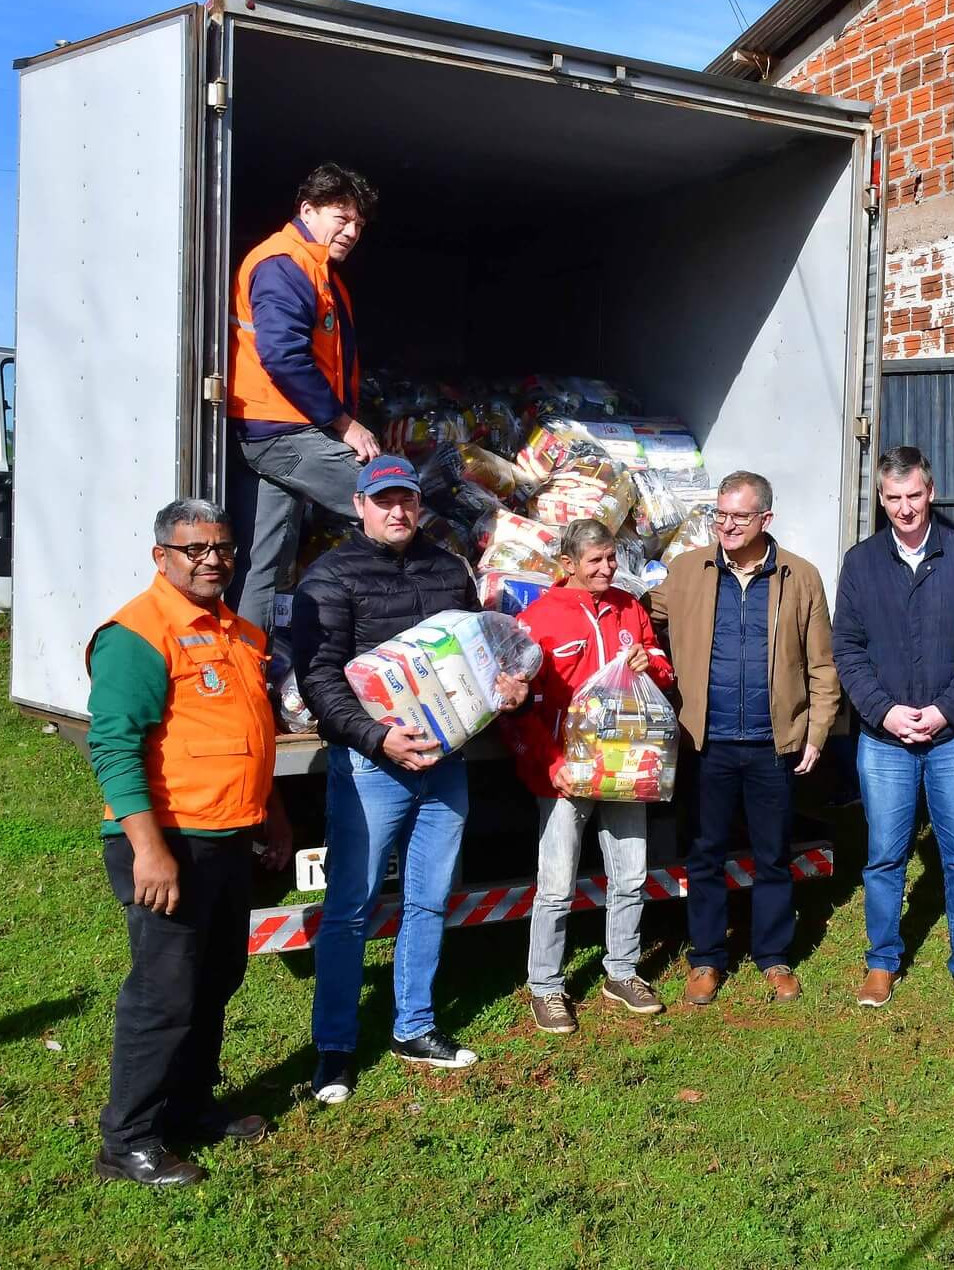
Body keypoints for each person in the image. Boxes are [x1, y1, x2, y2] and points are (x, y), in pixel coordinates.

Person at [290, 455, 528, 1103]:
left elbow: (480, 654)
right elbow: (320, 678)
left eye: (407, 498)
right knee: (349, 910)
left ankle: (414, 1027)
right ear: (360, 506)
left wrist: (505, 690)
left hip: (444, 764)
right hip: (372, 767)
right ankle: (335, 1049)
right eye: (384, 499)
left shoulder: (448, 567)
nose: (398, 510)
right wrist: (378, 737)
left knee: (429, 899)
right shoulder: (332, 575)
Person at [87, 498, 293, 1186]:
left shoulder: (240, 632)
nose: (212, 561)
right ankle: (128, 1139)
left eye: (222, 548)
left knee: (216, 979)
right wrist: (149, 850)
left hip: (230, 835)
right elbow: (114, 748)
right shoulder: (137, 632)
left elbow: (250, 734)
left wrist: (274, 811)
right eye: (194, 550)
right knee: (163, 992)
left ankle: (191, 1106)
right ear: (161, 557)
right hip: (171, 841)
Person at [648, 471, 841, 1006]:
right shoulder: (688, 570)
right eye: (720, 514)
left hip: (770, 743)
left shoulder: (800, 578)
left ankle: (774, 957)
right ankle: (707, 959)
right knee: (705, 852)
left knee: (772, 853)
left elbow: (823, 666)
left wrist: (817, 731)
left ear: (765, 520)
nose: (727, 525)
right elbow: (641, 616)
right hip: (706, 743)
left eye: (740, 516)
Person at [833, 447, 954, 1017]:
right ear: (881, 499)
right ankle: (882, 960)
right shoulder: (860, 564)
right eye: (892, 498)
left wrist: (946, 710)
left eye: (913, 496)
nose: (904, 509)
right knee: (884, 856)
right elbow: (847, 650)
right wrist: (882, 711)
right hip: (885, 741)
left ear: (931, 493)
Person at [502, 519, 675, 1035]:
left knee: (631, 873)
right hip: (566, 769)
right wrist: (547, 763)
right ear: (569, 564)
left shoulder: (629, 606)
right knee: (556, 885)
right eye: (595, 561)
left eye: (610, 559)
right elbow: (519, 704)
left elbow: (662, 670)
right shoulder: (539, 618)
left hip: (626, 762)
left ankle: (622, 971)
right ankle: (546, 987)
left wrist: (652, 664)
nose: (606, 569)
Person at [225, 163, 381, 637]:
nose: (352, 231)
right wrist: (343, 423)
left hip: (278, 429)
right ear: (307, 210)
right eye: (341, 217)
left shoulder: (317, 270)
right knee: (390, 502)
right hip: (283, 430)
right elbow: (283, 357)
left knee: (265, 563)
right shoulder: (284, 266)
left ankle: (252, 664)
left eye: (358, 223)